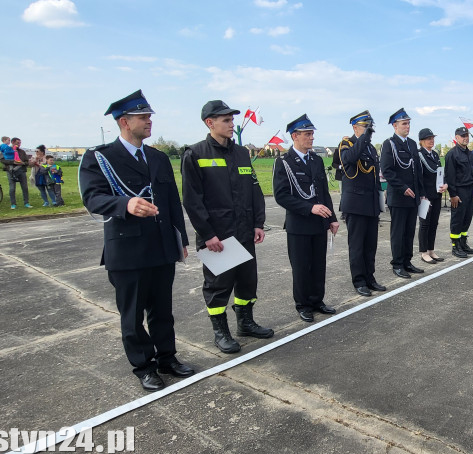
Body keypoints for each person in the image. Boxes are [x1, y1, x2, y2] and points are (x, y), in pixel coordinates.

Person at [79, 90, 194, 392]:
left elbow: (171, 202)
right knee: (132, 316)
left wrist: (179, 238)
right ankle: (144, 366)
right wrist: (125, 205)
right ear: (124, 122)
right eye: (143, 117)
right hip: (127, 250)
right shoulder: (100, 158)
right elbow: (92, 198)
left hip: (160, 247)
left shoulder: (157, 158)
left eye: (149, 116)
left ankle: (167, 358)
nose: (149, 121)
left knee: (162, 310)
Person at [181, 100, 274, 353]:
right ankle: (220, 331)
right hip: (218, 236)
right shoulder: (196, 154)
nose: (232, 124)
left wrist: (258, 223)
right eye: (226, 120)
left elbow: (255, 190)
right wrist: (207, 233)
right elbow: (192, 200)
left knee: (247, 282)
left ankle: (245, 323)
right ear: (210, 123)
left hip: (244, 231)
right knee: (219, 286)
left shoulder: (241, 153)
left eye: (232, 120)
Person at [274, 114, 339, 323]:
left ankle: (317, 300)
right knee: (302, 267)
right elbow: (281, 195)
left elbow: (323, 192)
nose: (311, 138)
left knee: (318, 265)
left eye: (312, 134)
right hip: (299, 224)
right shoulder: (284, 162)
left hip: (319, 224)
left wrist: (332, 218)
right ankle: (303, 304)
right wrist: (309, 208)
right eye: (307, 134)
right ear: (295, 136)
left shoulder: (317, 160)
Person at [339, 111, 387, 297]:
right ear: (355, 127)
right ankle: (359, 280)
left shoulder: (371, 149)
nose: (369, 130)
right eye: (365, 126)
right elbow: (350, 159)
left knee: (370, 245)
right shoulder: (347, 144)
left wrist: (379, 200)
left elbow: (375, 177)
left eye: (370, 127)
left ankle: (370, 277)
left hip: (371, 204)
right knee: (357, 246)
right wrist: (364, 137)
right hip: (356, 204)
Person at [380, 108, 423, 278]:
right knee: (398, 233)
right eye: (404, 124)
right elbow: (387, 170)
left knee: (409, 231)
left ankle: (407, 261)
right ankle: (397, 264)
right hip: (399, 196)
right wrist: (402, 187)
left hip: (413, 197)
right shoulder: (389, 144)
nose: (407, 127)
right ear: (394, 125)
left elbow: (417, 171)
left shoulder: (412, 144)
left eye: (409, 123)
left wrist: (422, 193)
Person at [444, 127, 473, 258]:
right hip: (459, 191)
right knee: (457, 219)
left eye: (467, 135)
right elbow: (450, 176)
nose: (465, 138)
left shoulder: (470, 154)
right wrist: (453, 195)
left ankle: (463, 243)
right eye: (462, 136)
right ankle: (455, 245)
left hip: (469, 190)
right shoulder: (452, 154)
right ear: (456, 137)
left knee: (467, 218)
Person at [417, 128, 446, 264]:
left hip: (436, 194)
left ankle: (431, 250)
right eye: (429, 138)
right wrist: (422, 195)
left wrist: (445, 185)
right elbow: (419, 178)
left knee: (434, 223)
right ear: (422, 141)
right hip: (425, 196)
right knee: (425, 224)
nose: (431, 141)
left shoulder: (434, 155)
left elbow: (439, 174)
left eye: (432, 138)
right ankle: (423, 252)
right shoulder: (419, 155)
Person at [1, 137, 31, 209]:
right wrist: (13, 162)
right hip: (11, 171)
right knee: (12, 188)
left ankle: (26, 203)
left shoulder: (22, 152)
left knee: (25, 187)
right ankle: (13, 204)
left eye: (20, 143)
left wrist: (23, 163)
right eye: (18, 143)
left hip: (21, 171)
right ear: (13, 142)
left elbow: (27, 162)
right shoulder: (7, 150)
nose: (19, 144)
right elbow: (2, 160)